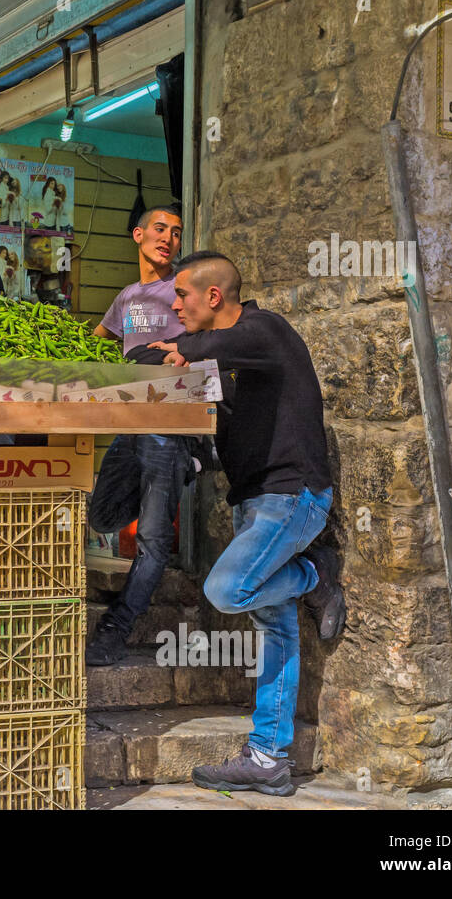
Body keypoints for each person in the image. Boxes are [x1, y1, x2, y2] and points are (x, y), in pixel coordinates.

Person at [138, 250, 344, 797]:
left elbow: (209, 345)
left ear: (212, 296)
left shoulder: (265, 332)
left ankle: (313, 577)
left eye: (181, 295)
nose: (174, 304)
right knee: (274, 629)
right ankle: (269, 758)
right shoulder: (229, 360)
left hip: (292, 497)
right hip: (254, 501)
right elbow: (149, 358)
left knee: (228, 590)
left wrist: (178, 350)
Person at [85, 204, 193, 666]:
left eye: (176, 233)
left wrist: (187, 354)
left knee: (152, 539)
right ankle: (171, 479)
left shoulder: (181, 288)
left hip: (169, 426)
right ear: (138, 235)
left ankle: (116, 627)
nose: (168, 238)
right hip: (130, 424)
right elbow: (93, 342)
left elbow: (212, 333)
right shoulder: (128, 297)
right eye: (160, 229)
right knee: (101, 515)